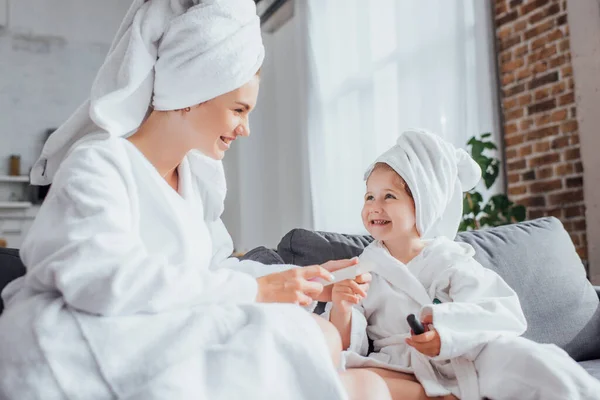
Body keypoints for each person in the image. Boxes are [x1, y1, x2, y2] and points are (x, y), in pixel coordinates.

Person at [0, 1, 390, 399]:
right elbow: (103, 280)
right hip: (85, 341)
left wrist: (304, 281)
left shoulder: (195, 179)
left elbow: (213, 274)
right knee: (319, 345)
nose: (245, 129)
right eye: (238, 109)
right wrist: (258, 292)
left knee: (321, 336)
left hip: (161, 327)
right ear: (192, 90)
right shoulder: (99, 164)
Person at [326, 129, 600, 400]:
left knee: (526, 358)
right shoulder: (363, 266)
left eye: (389, 196)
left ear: (424, 205)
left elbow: (501, 313)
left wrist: (445, 333)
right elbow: (348, 345)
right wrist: (342, 306)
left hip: (460, 356)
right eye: (369, 196)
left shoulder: (450, 258)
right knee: (344, 381)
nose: (375, 206)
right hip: (397, 365)